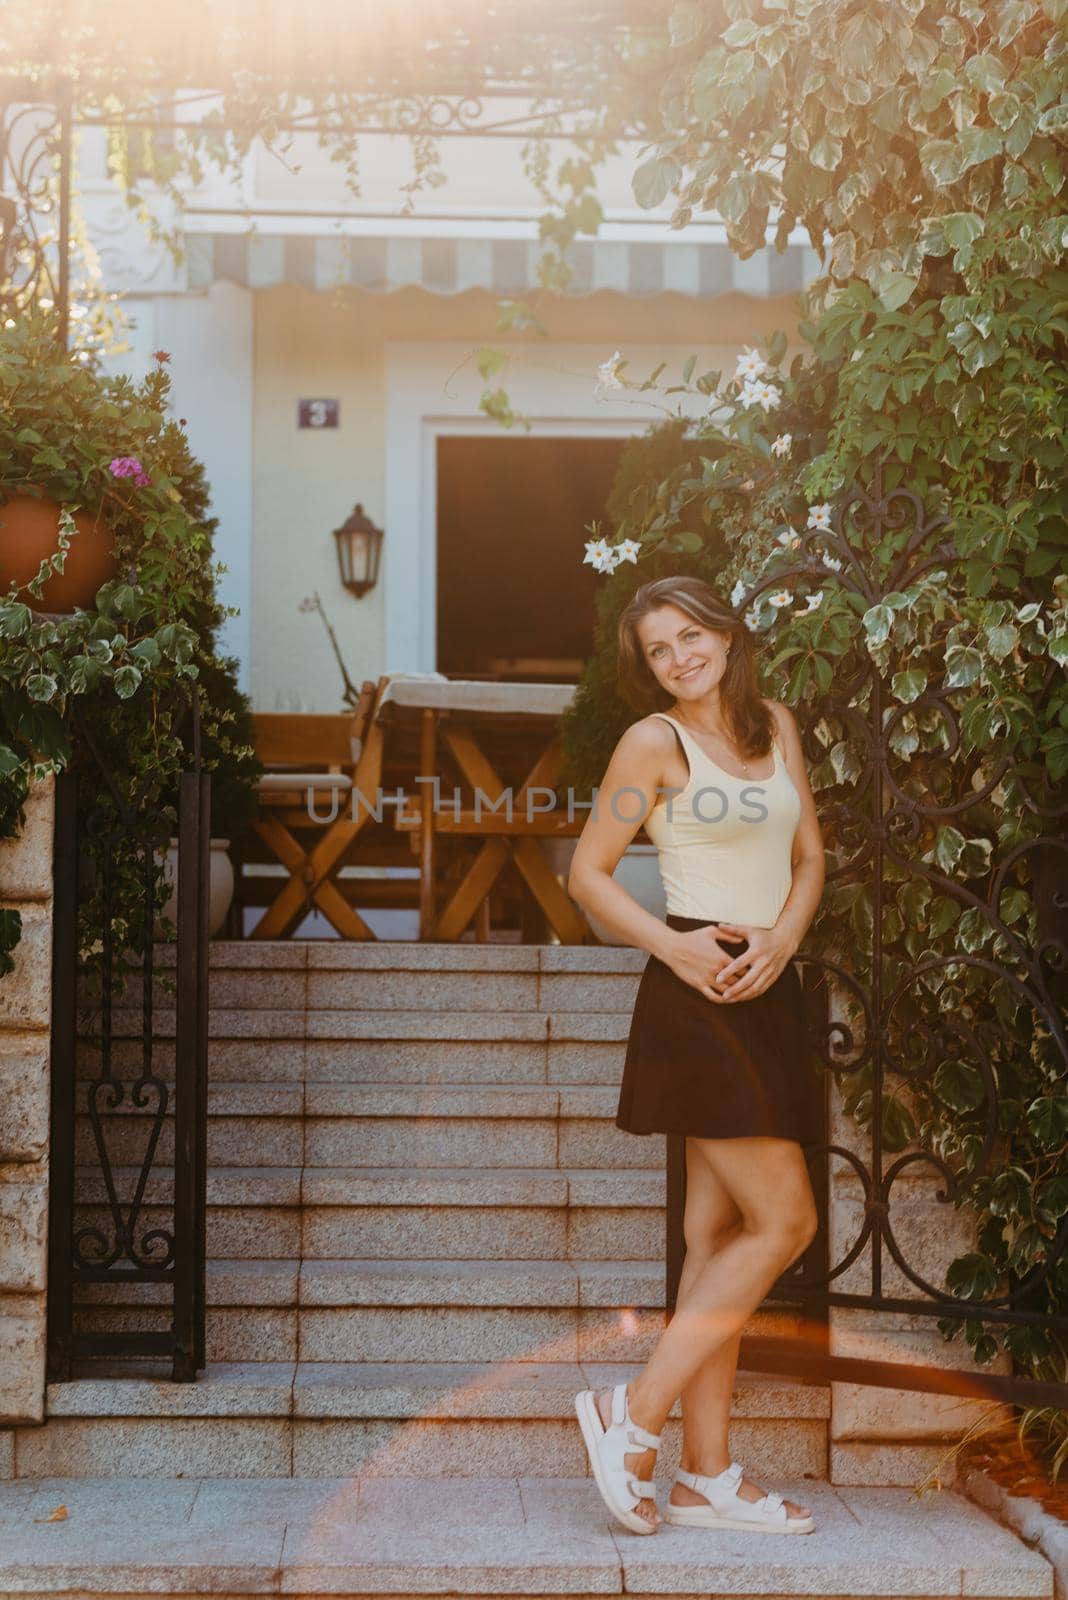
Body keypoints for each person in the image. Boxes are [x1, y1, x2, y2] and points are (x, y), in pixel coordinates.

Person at [567, 574, 825, 1537]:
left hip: (768, 991)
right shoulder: (652, 743)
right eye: (659, 652)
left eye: (690, 637)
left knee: (716, 1242)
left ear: (724, 630)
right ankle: (630, 1418)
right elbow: (589, 874)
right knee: (785, 1220)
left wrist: (785, 940)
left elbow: (809, 860)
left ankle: (705, 1479)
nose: (680, 658)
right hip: (695, 998)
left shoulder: (777, 727)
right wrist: (675, 946)